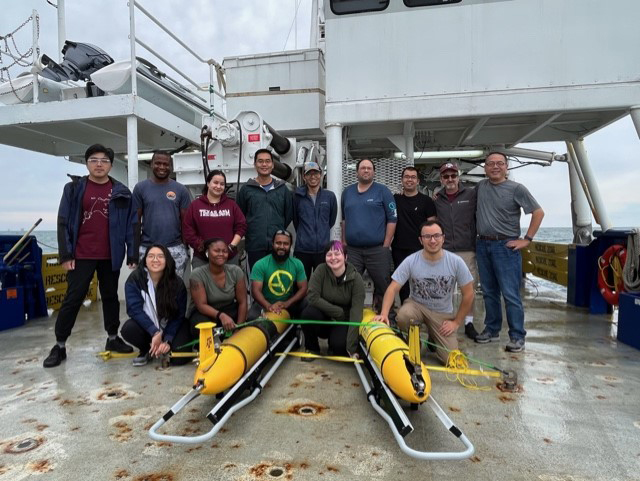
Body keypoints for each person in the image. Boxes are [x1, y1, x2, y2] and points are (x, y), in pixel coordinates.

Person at [43, 144, 136, 368]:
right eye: (94, 160)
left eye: (104, 160)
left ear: (111, 165)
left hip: (110, 255)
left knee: (111, 297)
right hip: (81, 254)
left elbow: (131, 225)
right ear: (87, 163)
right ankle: (60, 345)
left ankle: (113, 339)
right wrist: (66, 255)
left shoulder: (121, 191)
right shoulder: (74, 189)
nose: (99, 164)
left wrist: (132, 253)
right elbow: (63, 222)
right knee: (73, 298)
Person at [374, 220, 474, 365]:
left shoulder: (455, 261)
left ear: (443, 238)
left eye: (436, 236)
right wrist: (383, 314)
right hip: (417, 307)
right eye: (427, 237)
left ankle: (433, 338)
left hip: (442, 314)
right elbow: (393, 288)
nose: (432, 240)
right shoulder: (411, 260)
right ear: (421, 240)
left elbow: (469, 294)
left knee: (453, 361)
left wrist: (456, 322)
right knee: (403, 316)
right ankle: (414, 340)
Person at [474, 152, 545, 352]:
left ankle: (517, 336)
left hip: (506, 247)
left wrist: (527, 240)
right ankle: (492, 329)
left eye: (499, 163)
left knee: (510, 294)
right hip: (483, 245)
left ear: (506, 167)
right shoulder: (480, 187)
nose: (495, 167)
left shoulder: (517, 189)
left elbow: (538, 212)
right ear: (485, 167)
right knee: (489, 292)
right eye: (490, 164)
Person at [121, 244, 191, 366]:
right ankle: (148, 349)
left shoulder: (176, 283)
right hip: (149, 328)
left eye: (160, 256)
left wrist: (167, 340)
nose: (155, 260)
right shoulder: (135, 279)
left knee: (179, 359)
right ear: (145, 260)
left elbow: (179, 315)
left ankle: (163, 347)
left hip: (171, 327)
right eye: (151, 256)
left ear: (167, 260)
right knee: (128, 329)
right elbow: (134, 310)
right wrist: (154, 332)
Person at [341, 158, 397, 311]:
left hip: (377, 250)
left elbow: (392, 219)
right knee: (349, 284)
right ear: (357, 172)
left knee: (383, 285)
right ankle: (349, 318)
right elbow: (344, 220)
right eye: (363, 168)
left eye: (369, 168)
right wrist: (344, 242)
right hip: (353, 251)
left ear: (374, 172)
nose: (366, 170)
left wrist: (386, 245)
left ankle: (388, 318)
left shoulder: (383, 191)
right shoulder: (347, 193)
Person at [434, 161, 480, 340]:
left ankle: (468, 323)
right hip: (444, 251)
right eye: (446, 176)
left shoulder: (471, 194)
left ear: (458, 176)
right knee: (443, 289)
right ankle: (441, 322)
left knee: (468, 288)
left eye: (453, 175)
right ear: (441, 179)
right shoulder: (437, 199)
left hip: (466, 250)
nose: (450, 179)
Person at [132, 151, 191, 277]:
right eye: (158, 163)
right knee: (149, 290)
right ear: (151, 164)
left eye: (166, 164)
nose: (162, 167)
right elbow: (135, 221)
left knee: (172, 290)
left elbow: (186, 222)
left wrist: (185, 248)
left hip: (175, 248)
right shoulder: (140, 188)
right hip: (147, 248)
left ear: (171, 166)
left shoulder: (181, 190)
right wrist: (134, 251)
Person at [301, 241, 365, 358]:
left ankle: (333, 344)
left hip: (342, 321)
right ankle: (312, 348)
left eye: (337, 254)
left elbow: (356, 312)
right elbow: (312, 296)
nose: (333, 258)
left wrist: (351, 347)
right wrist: (336, 311)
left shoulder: (356, 279)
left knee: (340, 348)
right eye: (329, 254)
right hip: (324, 317)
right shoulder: (320, 270)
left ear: (345, 257)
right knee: (308, 313)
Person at [237, 149, 294, 270]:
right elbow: (240, 216)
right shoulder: (246, 189)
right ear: (255, 164)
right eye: (260, 161)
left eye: (267, 161)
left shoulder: (282, 189)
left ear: (273, 165)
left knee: (277, 281)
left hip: (278, 245)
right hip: (255, 245)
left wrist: (276, 227)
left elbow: (288, 215)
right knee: (257, 281)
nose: (264, 164)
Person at [182, 170, 247, 268]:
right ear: (208, 183)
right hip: (202, 259)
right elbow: (188, 229)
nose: (218, 186)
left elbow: (241, 226)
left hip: (229, 258)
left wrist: (231, 246)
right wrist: (202, 247)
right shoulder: (195, 205)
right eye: (215, 182)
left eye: (222, 184)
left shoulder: (231, 205)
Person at [391, 166, 436, 303]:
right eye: (406, 177)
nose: (409, 180)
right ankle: (406, 312)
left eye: (413, 177)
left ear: (418, 181)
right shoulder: (395, 199)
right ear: (402, 180)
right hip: (399, 248)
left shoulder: (427, 201)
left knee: (423, 282)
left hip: (420, 249)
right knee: (402, 284)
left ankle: (424, 313)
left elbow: (432, 226)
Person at [188, 238, 248, 335]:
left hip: (229, 309)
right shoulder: (197, 274)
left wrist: (238, 328)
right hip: (206, 313)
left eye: (224, 251)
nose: (221, 254)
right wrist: (221, 315)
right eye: (217, 251)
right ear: (207, 252)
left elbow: (243, 302)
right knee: (201, 324)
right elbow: (201, 305)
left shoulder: (236, 271)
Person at [247, 230, 307, 321]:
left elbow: (303, 288)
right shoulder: (260, 264)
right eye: (278, 243)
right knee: (251, 317)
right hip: (264, 303)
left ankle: (297, 330)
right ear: (272, 244)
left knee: (307, 304)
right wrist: (269, 306)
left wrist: (287, 303)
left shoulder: (297, 264)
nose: (282, 247)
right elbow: (255, 291)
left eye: (286, 244)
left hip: (288, 302)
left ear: (290, 245)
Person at [293, 161, 338, 279]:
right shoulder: (297, 197)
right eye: (309, 174)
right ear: (304, 176)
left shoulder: (330, 197)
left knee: (323, 285)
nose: (313, 176)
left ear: (321, 174)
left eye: (316, 173)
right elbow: (295, 220)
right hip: (303, 250)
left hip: (323, 251)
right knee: (300, 285)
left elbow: (331, 221)